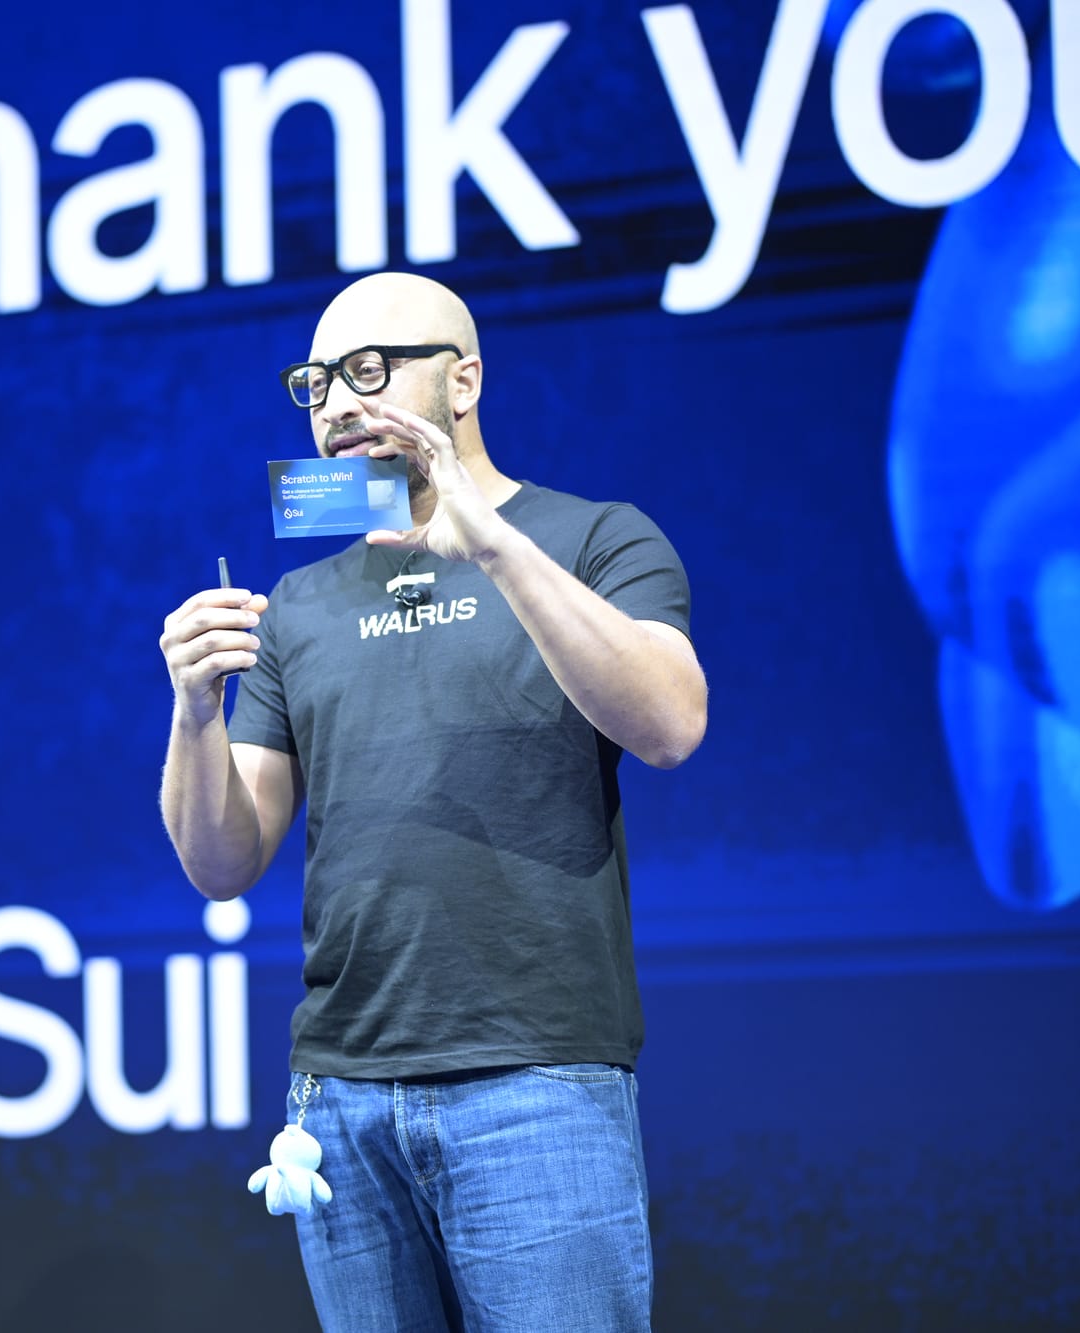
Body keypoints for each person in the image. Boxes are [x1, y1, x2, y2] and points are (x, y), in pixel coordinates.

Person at [158, 272, 706, 1332]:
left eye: (368, 370)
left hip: (536, 1078)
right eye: (316, 382)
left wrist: (490, 544)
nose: (336, 403)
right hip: (339, 1094)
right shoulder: (300, 604)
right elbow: (222, 862)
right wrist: (192, 711)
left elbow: (671, 725)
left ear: (463, 382)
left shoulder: (595, 538)